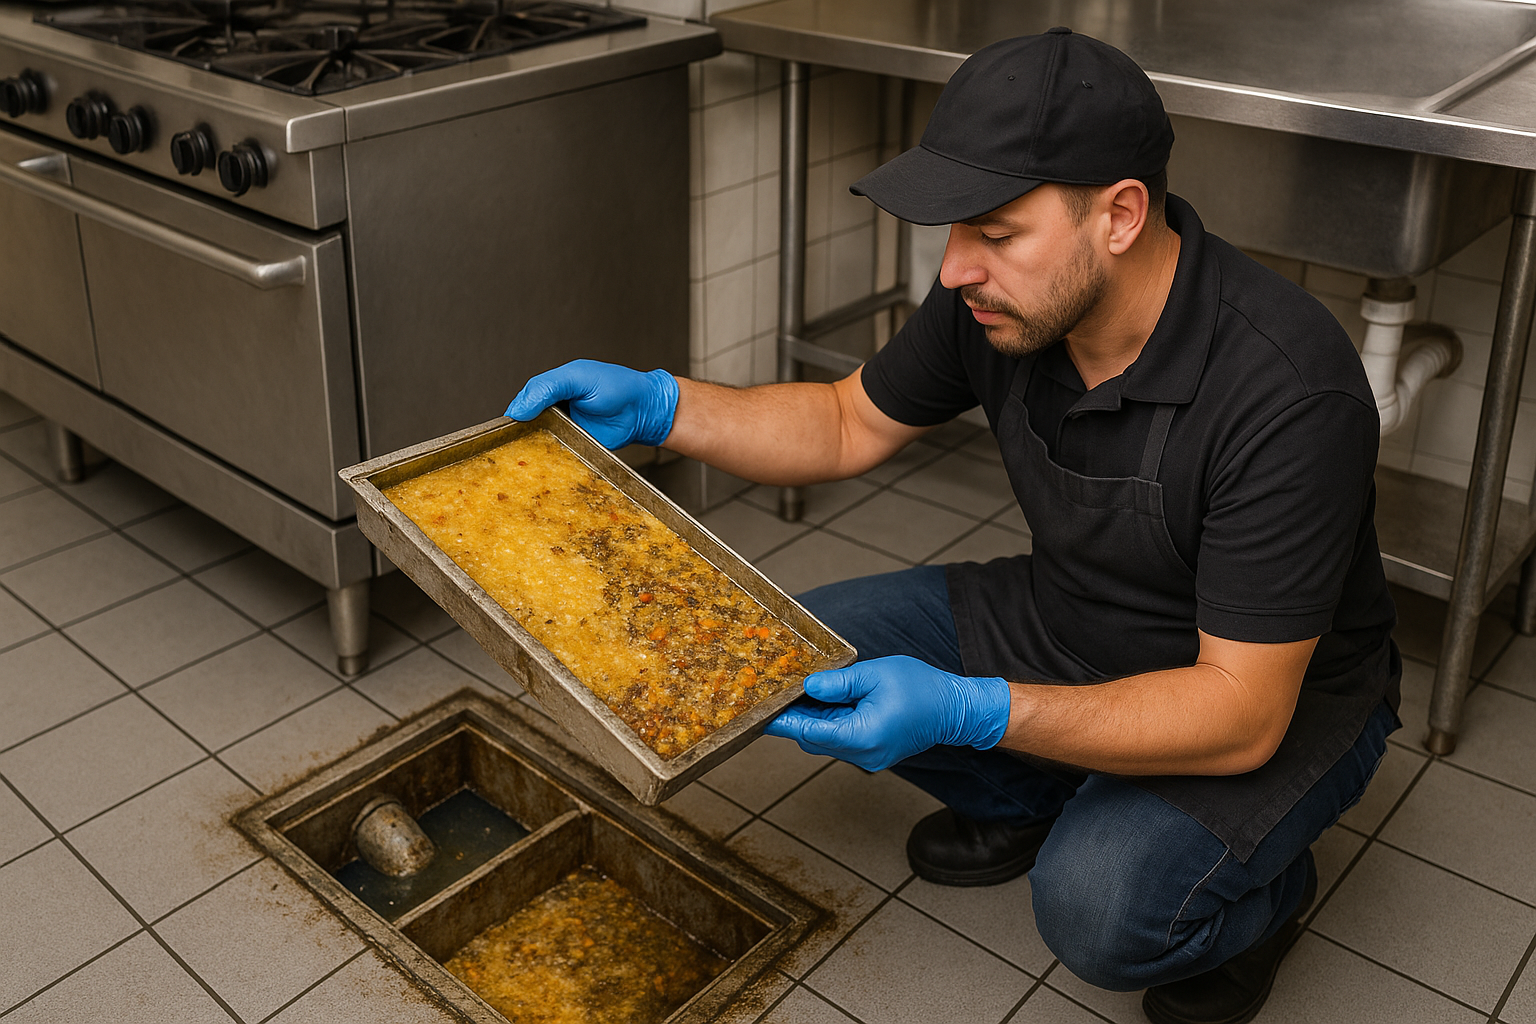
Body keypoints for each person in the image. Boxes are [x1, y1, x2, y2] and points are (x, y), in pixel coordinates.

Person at [507, 28, 1399, 1024]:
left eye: (996, 230)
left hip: (1271, 698)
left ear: (1120, 215)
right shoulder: (999, 303)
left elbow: (1240, 710)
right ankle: (1029, 799)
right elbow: (847, 419)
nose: (956, 266)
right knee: (790, 649)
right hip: (1074, 619)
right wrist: (667, 407)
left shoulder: (1287, 390)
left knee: (1100, 905)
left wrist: (975, 709)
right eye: (952, 230)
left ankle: (1263, 902)